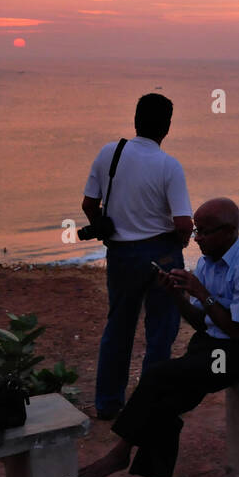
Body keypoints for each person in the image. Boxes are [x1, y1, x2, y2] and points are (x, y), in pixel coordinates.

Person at [81, 198, 239, 477]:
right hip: (211, 345)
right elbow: (203, 322)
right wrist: (177, 295)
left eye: (203, 232)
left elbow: (238, 330)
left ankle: (121, 451)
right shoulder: (207, 263)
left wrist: (202, 293)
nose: (196, 237)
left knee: (158, 375)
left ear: (228, 232)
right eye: (196, 230)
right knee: (166, 402)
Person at [82, 93, 193, 421]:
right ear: (168, 127)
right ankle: (149, 401)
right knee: (161, 331)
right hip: (162, 253)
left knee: (118, 327)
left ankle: (107, 403)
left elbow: (89, 204)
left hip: (121, 254)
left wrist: (100, 225)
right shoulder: (169, 166)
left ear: (135, 119)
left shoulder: (109, 154)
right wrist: (181, 244)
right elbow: (183, 222)